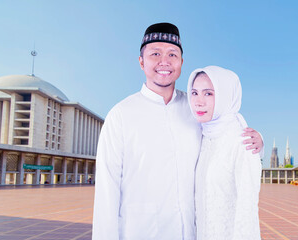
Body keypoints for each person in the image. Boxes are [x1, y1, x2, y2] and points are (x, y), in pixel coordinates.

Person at [92, 23, 263, 240]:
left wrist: (258, 143)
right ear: (141, 61)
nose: (164, 61)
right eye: (155, 54)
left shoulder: (195, 109)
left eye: (172, 54)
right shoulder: (121, 116)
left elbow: (223, 134)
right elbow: (107, 192)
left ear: (181, 62)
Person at [188, 66, 261, 240]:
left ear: (226, 96)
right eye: (194, 93)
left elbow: (247, 213)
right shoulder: (204, 135)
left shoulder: (244, 142)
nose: (199, 101)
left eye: (208, 94)